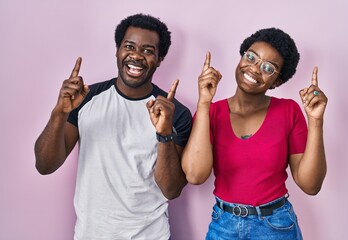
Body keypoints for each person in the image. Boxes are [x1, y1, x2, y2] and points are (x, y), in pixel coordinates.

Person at [34, 13, 192, 240]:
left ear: (159, 59)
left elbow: (172, 190)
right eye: (129, 46)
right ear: (117, 50)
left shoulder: (175, 113)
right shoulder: (85, 99)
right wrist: (60, 112)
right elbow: (45, 165)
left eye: (148, 51)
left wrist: (164, 133)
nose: (136, 56)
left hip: (150, 235)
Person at [181, 28, 327, 239]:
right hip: (224, 225)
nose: (255, 69)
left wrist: (316, 121)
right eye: (251, 57)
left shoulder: (288, 111)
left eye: (268, 67)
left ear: (277, 81)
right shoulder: (212, 112)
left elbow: (310, 185)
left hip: (276, 226)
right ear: (241, 57)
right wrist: (204, 102)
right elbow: (195, 175)